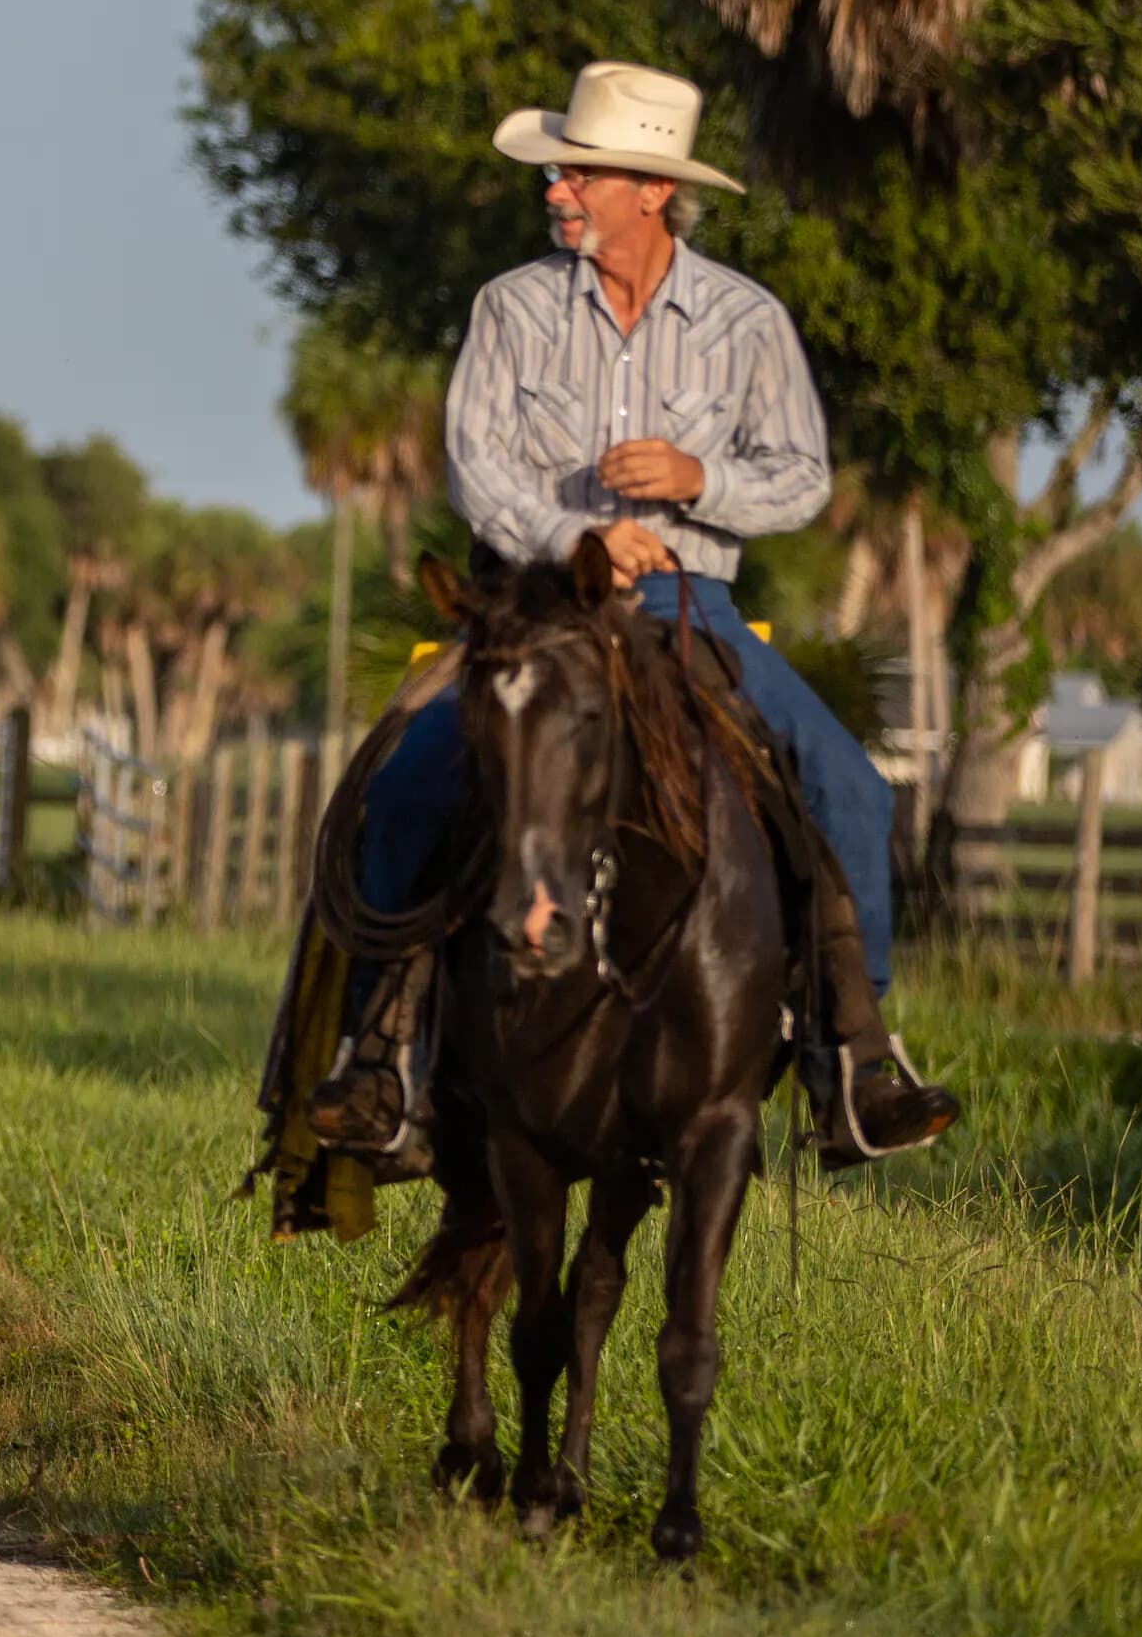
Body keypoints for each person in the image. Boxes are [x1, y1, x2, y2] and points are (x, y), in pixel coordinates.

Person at [343, 61, 958, 1165]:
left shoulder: (746, 320)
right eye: (560, 172)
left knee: (851, 790)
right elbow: (473, 467)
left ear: (651, 190)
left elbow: (804, 477)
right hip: (533, 604)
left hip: (687, 608)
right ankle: (383, 1057)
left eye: (581, 173)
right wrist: (570, 540)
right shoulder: (511, 308)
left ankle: (851, 1059)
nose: (557, 191)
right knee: (406, 785)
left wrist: (697, 480)